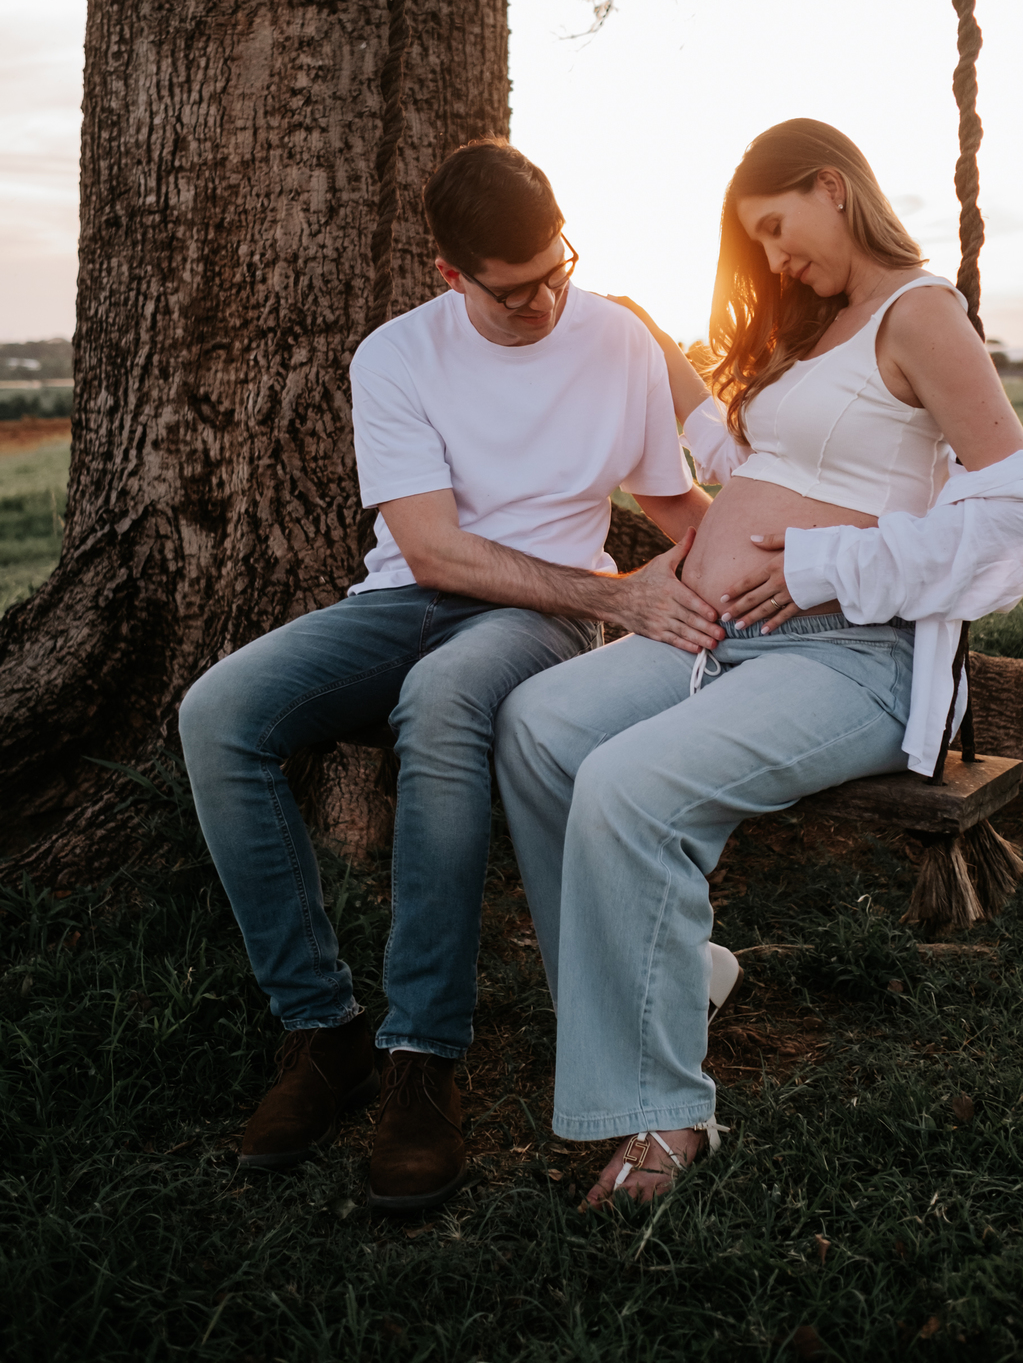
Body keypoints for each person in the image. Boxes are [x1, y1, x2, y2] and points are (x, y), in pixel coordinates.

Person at [493, 117, 1023, 1206]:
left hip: (852, 655)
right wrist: (657, 346)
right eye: (756, 243)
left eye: (777, 227)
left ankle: (667, 1113)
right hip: (732, 633)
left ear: (832, 187)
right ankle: (664, 984)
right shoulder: (822, 330)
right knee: (538, 729)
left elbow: (1015, 520)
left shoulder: (919, 313)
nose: (774, 257)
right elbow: (762, 461)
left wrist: (818, 566)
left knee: (628, 787)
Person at [179, 137, 727, 1213]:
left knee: (443, 702)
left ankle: (423, 1058)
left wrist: (790, 565)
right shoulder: (396, 356)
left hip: (543, 618)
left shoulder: (618, 339)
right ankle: (323, 1030)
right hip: (411, 599)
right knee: (217, 714)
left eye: (556, 271)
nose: (543, 302)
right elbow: (429, 552)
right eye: (513, 290)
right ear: (451, 273)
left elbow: (676, 504)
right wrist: (620, 596)